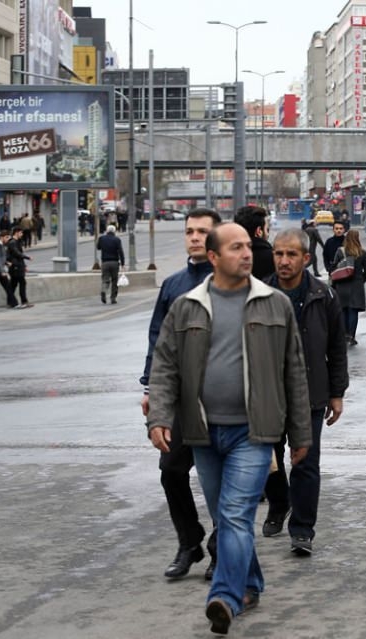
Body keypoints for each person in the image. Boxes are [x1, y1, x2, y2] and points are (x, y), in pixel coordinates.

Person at [148, 222, 312, 634]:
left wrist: (301, 434)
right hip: (203, 433)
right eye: (236, 247)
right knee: (228, 518)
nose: (247, 253)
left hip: (254, 433)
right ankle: (251, 583)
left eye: (247, 246)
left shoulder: (274, 304)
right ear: (215, 257)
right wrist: (159, 417)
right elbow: (165, 367)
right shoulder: (187, 306)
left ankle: (224, 596)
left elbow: (294, 371)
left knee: (236, 515)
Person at [140, 208, 222, 582]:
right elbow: (158, 339)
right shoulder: (173, 284)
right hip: (180, 398)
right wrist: (150, 390)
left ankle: (224, 549)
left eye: (202, 232)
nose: (194, 237)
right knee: (171, 470)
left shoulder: (233, 282)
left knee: (222, 480)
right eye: (189, 231)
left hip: (225, 397)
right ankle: (189, 542)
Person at [262, 228, 348, 556]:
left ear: (306, 259)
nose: (284, 261)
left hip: (311, 392)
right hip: (268, 394)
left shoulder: (323, 295)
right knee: (265, 461)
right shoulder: (259, 293)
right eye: (279, 254)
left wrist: (337, 393)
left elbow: (336, 347)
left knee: (306, 463)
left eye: (291, 255)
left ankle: (302, 530)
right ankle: (280, 501)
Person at [331, 229, 366, 346]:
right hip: (356, 285)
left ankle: (344, 334)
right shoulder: (362, 252)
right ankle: (351, 336)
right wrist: (361, 279)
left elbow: (333, 267)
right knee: (353, 311)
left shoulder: (340, 251)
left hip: (341, 285)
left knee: (343, 310)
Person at [234, 205, 274, 280]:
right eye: (267, 229)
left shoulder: (228, 257)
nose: (268, 234)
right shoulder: (275, 258)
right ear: (259, 231)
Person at [96, 225, 125, 304]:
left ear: (107, 230)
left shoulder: (102, 239)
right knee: (114, 281)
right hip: (114, 262)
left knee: (105, 279)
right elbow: (120, 252)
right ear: (114, 231)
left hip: (105, 262)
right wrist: (123, 263)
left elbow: (98, 247)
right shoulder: (117, 240)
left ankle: (103, 291)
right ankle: (113, 298)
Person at [7, 227, 33, 309]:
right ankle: (23, 301)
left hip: (18, 266)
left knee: (13, 285)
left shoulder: (16, 242)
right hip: (15, 267)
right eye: (21, 233)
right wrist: (27, 257)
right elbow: (17, 253)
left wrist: (24, 266)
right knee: (21, 283)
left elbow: (19, 254)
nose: (22, 235)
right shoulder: (12, 242)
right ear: (16, 233)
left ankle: (11, 301)